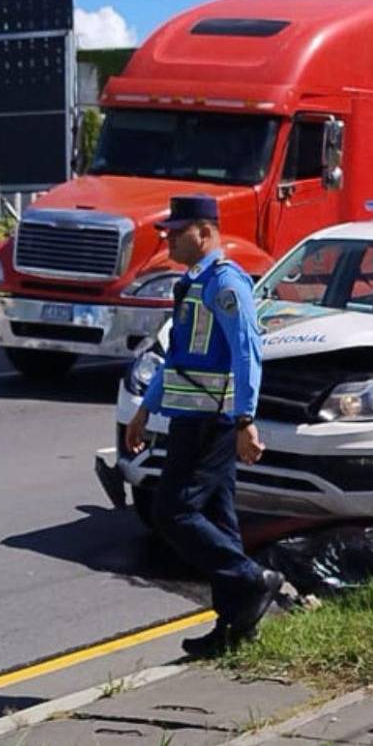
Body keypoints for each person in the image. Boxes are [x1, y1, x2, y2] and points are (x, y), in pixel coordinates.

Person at [124, 194, 282, 657]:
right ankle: (234, 627)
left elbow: (247, 351)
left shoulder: (226, 283)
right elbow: (176, 358)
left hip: (211, 422)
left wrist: (245, 420)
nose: (169, 238)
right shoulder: (194, 284)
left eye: (177, 231)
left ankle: (253, 580)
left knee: (173, 513)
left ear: (204, 232)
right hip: (189, 418)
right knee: (218, 520)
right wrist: (144, 409)